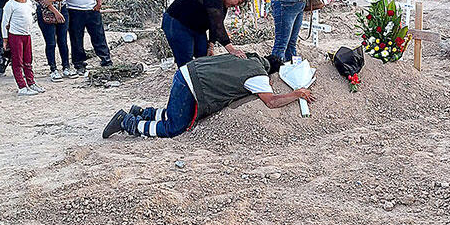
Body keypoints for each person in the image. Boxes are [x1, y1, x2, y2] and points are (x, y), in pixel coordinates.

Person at [102, 53, 315, 139]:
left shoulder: (248, 58)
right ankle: (128, 123)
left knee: (174, 113)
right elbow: (271, 102)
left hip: (187, 72)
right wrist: (297, 93)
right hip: (193, 84)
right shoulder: (258, 77)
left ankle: (142, 112)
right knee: (175, 127)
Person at [163, 0, 248, 67]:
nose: (236, 6)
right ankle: (185, 80)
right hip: (177, 23)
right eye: (238, 2)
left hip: (197, 27)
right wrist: (232, 50)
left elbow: (215, 24)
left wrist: (211, 46)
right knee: (186, 61)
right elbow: (217, 25)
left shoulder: (223, 4)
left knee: (204, 56)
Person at [31, 0, 75, 81]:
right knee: (50, 42)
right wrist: (55, 12)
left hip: (63, 9)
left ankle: (66, 67)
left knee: (63, 40)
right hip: (46, 13)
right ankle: (53, 69)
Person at [1, 0, 45, 95]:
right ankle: (22, 86)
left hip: (27, 35)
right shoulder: (10, 5)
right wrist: (5, 39)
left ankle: (31, 83)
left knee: (28, 60)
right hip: (15, 36)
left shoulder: (29, 3)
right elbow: (5, 23)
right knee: (17, 61)